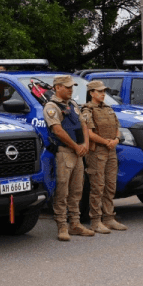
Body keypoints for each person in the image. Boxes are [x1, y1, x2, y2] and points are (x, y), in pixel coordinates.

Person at [43, 75, 93, 241]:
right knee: (62, 190)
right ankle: (62, 226)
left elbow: (83, 124)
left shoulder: (72, 104)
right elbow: (57, 130)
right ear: (57, 87)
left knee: (77, 190)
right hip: (65, 152)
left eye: (72, 87)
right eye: (68, 86)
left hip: (78, 152)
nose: (71, 89)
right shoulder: (51, 106)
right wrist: (76, 146)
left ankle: (76, 224)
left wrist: (85, 143)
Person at [81, 80, 126, 232]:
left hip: (111, 150)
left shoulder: (108, 109)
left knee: (110, 185)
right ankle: (95, 220)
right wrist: (106, 142)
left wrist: (117, 139)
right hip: (97, 152)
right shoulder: (87, 110)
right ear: (91, 93)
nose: (102, 94)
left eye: (103, 91)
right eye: (99, 91)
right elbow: (88, 133)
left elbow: (118, 128)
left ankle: (109, 218)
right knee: (97, 186)